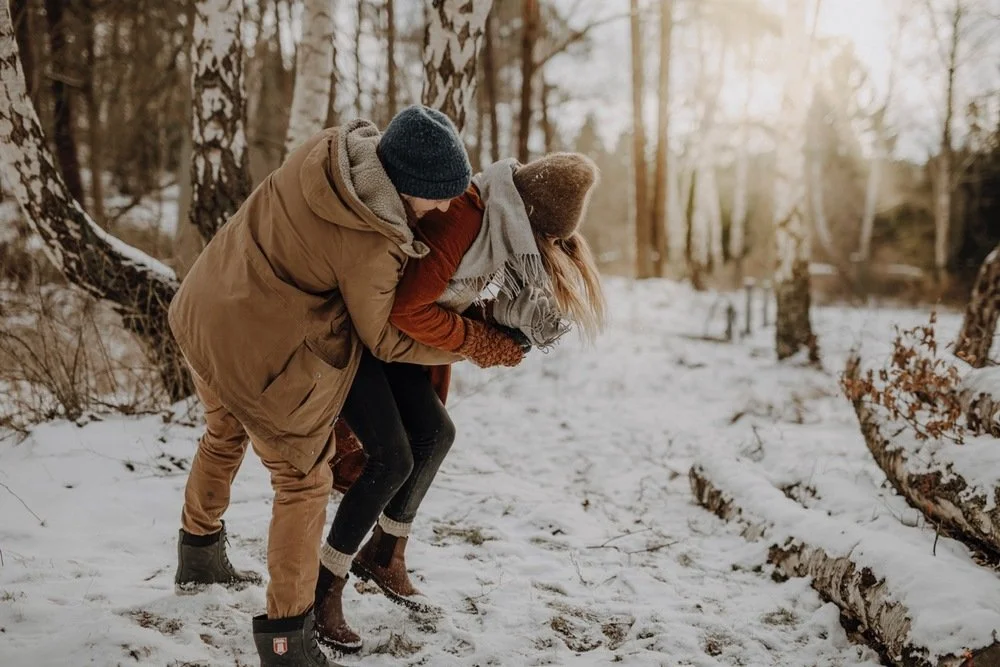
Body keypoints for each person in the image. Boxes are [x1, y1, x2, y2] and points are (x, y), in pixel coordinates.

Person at [168, 105, 520, 666]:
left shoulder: (330, 153)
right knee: (303, 480)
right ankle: (286, 639)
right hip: (254, 339)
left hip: (204, 307)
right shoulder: (372, 236)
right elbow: (383, 338)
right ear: (408, 184)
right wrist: (477, 342)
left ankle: (199, 552)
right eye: (439, 196)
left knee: (223, 430)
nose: (448, 207)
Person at [313, 153, 607, 651]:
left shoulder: (497, 216)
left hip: (391, 341)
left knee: (436, 434)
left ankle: (384, 555)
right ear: (530, 220)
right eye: (548, 241)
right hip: (354, 333)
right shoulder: (465, 221)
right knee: (394, 457)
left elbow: (447, 294)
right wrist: (480, 340)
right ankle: (324, 587)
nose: (544, 251)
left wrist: (493, 320)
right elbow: (410, 309)